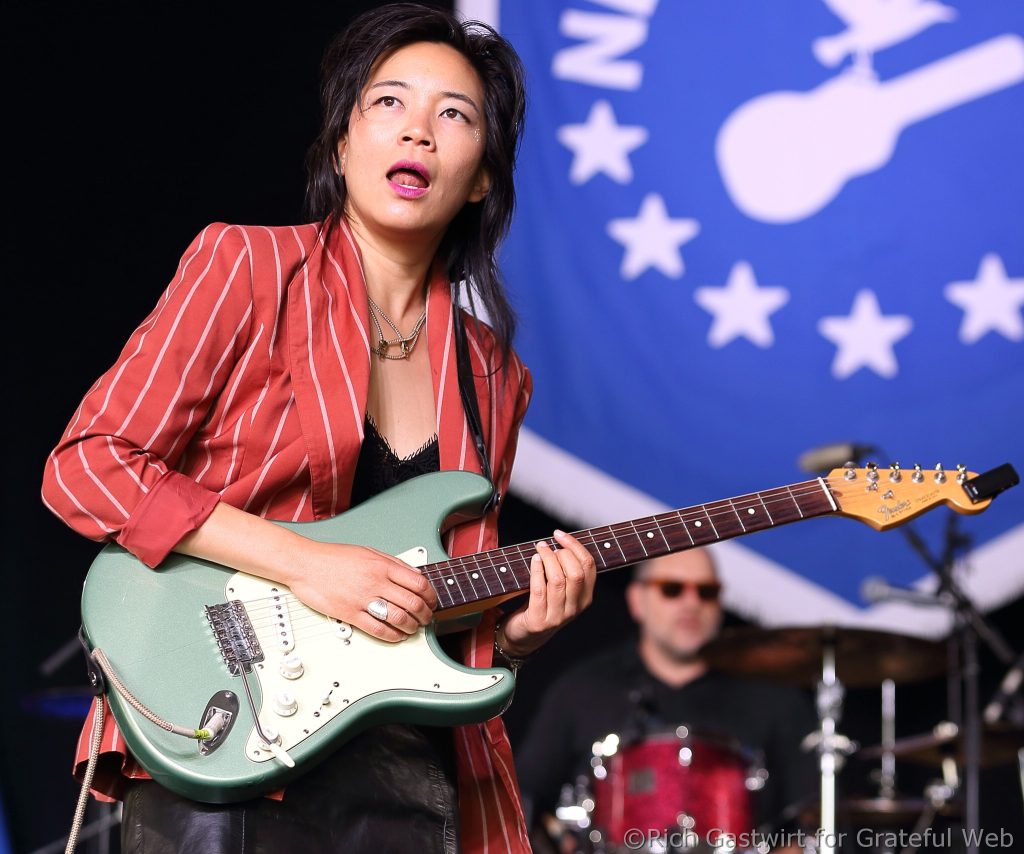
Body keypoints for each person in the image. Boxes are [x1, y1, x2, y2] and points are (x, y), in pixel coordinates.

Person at [41, 5, 596, 852]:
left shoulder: (493, 373)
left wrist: (515, 639)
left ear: (483, 177)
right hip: (228, 741)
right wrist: (306, 564)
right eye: (389, 102)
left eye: (454, 114)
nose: (418, 130)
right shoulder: (248, 267)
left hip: (406, 778)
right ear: (342, 145)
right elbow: (87, 467)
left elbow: (432, 607)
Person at [515, 547, 818, 852]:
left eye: (706, 592)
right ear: (637, 600)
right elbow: (521, 800)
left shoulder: (773, 697)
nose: (692, 603)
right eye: (672, 589)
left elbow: (817, 819)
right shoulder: (582, 689)